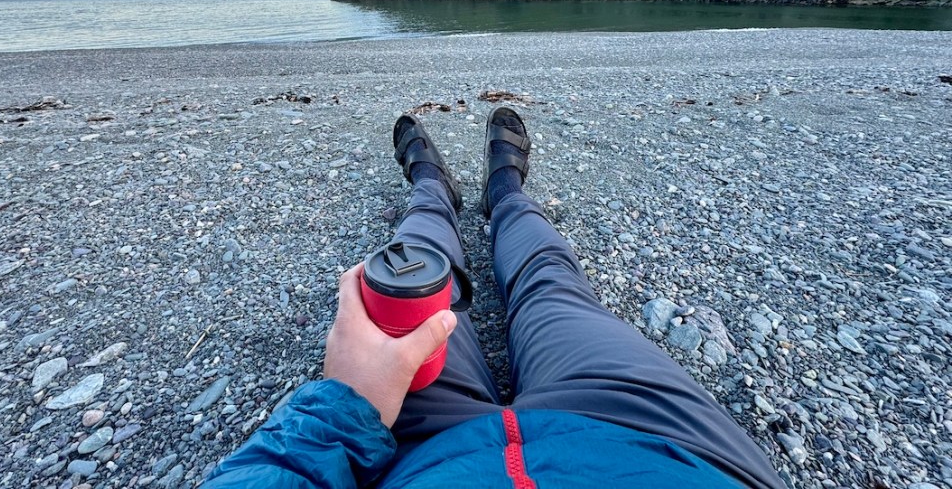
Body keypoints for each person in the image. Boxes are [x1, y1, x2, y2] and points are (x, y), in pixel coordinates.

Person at [204, 107, 785, 488]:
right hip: (653, 441)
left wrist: (343, 408)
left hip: (416, 458)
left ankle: (432, 189)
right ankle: (505, 193)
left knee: (416, 272)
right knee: (549, 284)